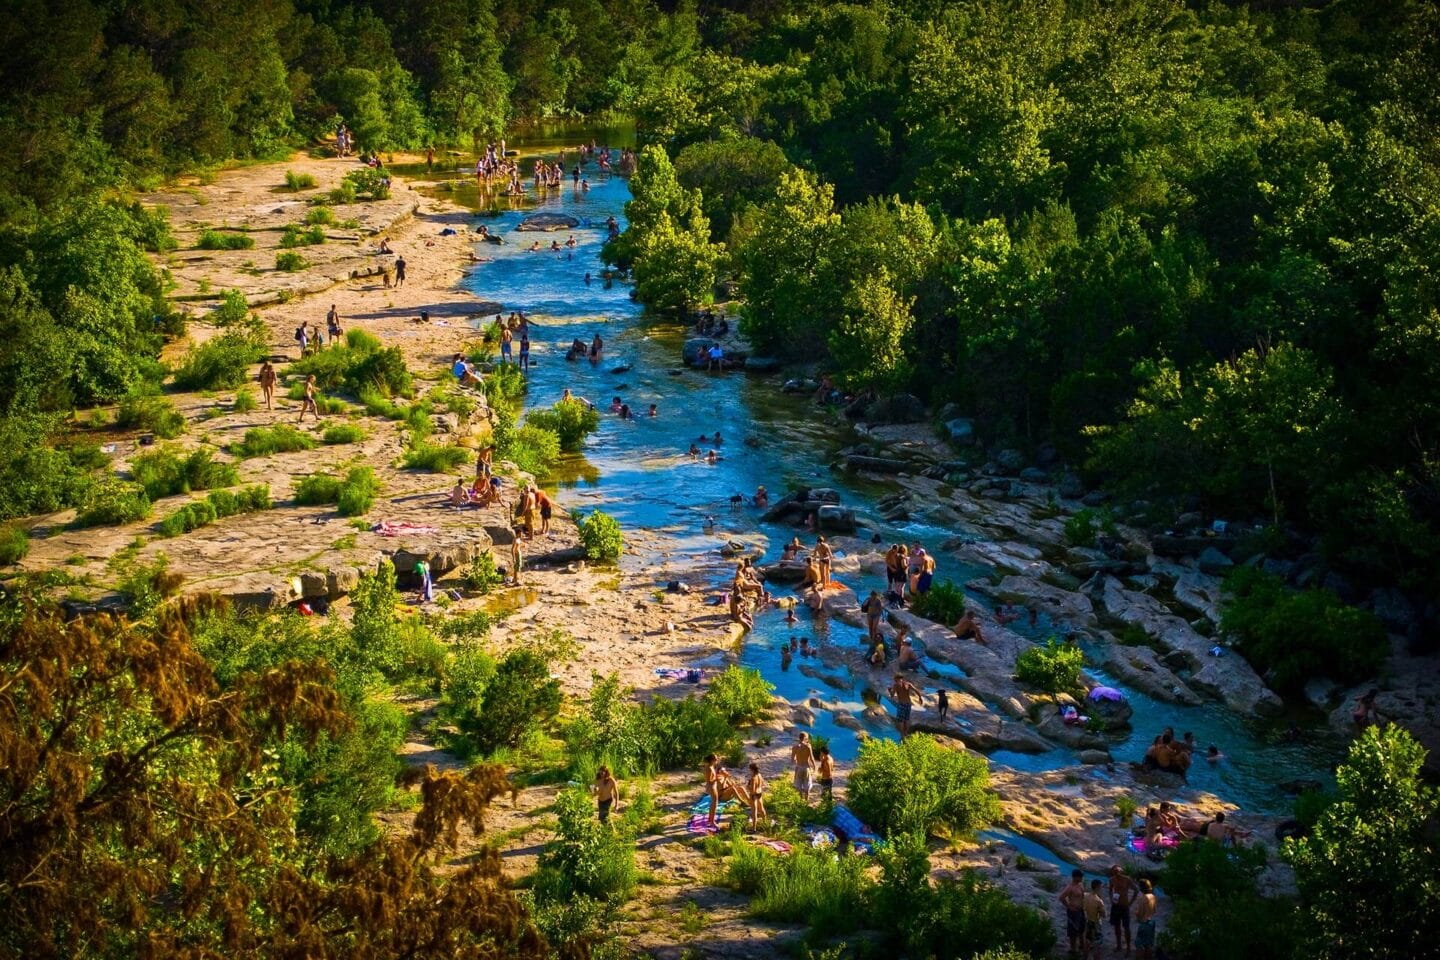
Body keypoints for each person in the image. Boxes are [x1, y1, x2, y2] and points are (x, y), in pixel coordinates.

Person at [1059, 869, 1087, 957]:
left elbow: (1082, 896)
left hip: (1081, 910)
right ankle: (1073, 949)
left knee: (1082, 928)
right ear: (1076, 877)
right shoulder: (1070, 887)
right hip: (1073, 911)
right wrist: (1069, 906)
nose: (1082, 878)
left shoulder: (1080, 885)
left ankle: (1082, 945)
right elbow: (1062, 897)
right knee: (1073, 931)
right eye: (1080, 876)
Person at [1108, 865, 1135, 954]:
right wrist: (1111, 899)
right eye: (1114, 872)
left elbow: (1136, 890)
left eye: (1118, 871)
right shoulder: (1112, 880)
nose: (1116, 873)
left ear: (1121, 871)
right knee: (1116, 926)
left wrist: (1130, 903)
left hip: (1124, 905)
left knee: (1126, 927)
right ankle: (1119, 945)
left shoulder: (1127, 879)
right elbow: (1110, 890)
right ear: (1112, 872)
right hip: (1116, 905)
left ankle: (1128, 948)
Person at [1134, 879, 1158, 959]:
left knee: (1139, 945)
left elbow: (1139, 913)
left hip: (1144, 923)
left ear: (1141, 888)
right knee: (1148, 944)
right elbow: (1154, 910)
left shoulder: (1142, 898)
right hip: (1151, 921)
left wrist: (1136, 915)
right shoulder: (1153, 896)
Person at [1083, 879, 1106, 960]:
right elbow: (1103, 915)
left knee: (1087, 942)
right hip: (1096, 923)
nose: (1101, 889)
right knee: (1097, 946)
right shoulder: (1099, 901)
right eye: (1101, 887)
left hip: (1088, 921)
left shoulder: (1085, 895)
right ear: (1097, 887)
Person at [791, 732, 816, 801]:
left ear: (799, 737)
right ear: (805, 738)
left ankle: (800, 800)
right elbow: (812, 758)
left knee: (798, 785)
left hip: (799, 767)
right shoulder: (808, 746)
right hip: (806, 768)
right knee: (807, 786)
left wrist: (796, 760)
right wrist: (814, 767)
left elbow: (792, 760)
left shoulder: (795, 747)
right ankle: (806, 801)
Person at [746, 763, 767, 830]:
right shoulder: (759, 775)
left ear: (752, 769)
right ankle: (765, 823)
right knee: (761, 809)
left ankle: (754, 828)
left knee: (754, 811)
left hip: (754, 795)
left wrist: (748, 787)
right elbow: (762, 784)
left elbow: (752, 790)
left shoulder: (753, 778)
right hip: (759, 793)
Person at [704, 754, 722, 827]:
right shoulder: (708, 768)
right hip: (711, 786)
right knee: (714, 803)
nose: (716, 760)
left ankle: (710, 819)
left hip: (713, 785)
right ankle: (712, 821)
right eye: (715, 759)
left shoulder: (711, 767)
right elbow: (709, 780)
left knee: (714, 802)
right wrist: (716, 778)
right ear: (711, 760)